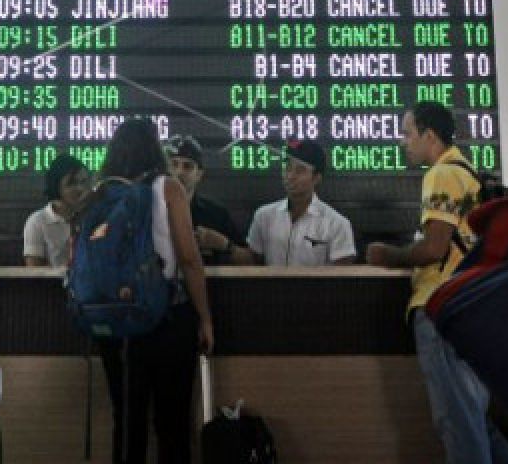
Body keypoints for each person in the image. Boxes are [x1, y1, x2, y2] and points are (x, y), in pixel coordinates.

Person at [366, 102, 508, 464]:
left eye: (407, 133)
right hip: (471, 305)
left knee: (457, 422)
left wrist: (388, 255)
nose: (403, 142)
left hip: (442, 305)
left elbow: (434, 248)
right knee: (476, 421)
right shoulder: (468, 173)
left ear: (429, 135)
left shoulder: (441, 174)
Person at [94, 118, 214, 464]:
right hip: (167, 319)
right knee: (172, 423)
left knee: (127, 421)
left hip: (115, 323)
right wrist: (204, 318)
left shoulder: (101, 190)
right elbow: (190, 260)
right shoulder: (168, 188)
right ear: (155, 148)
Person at [245, 140, 357, 266]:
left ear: (316, 178)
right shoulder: (264, 216)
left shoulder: (337, 224)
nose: (290, 176)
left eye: (300, 170)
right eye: (287, 168)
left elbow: (344, 279)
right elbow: (251, 263)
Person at [163, 134, 254, 265]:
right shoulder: (150, 211)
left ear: (199, 174)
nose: (179, 172)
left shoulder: (215, 215)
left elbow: (249, 261)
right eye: (173, 164)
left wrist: (224, 244)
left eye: (187, 166)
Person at [23, 152, 90, 266]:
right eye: (72, 183)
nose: (80, 189)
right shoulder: (37, 221)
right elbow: (33, 272)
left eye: (83, 182)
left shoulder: (92, 217)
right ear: (56, 185)